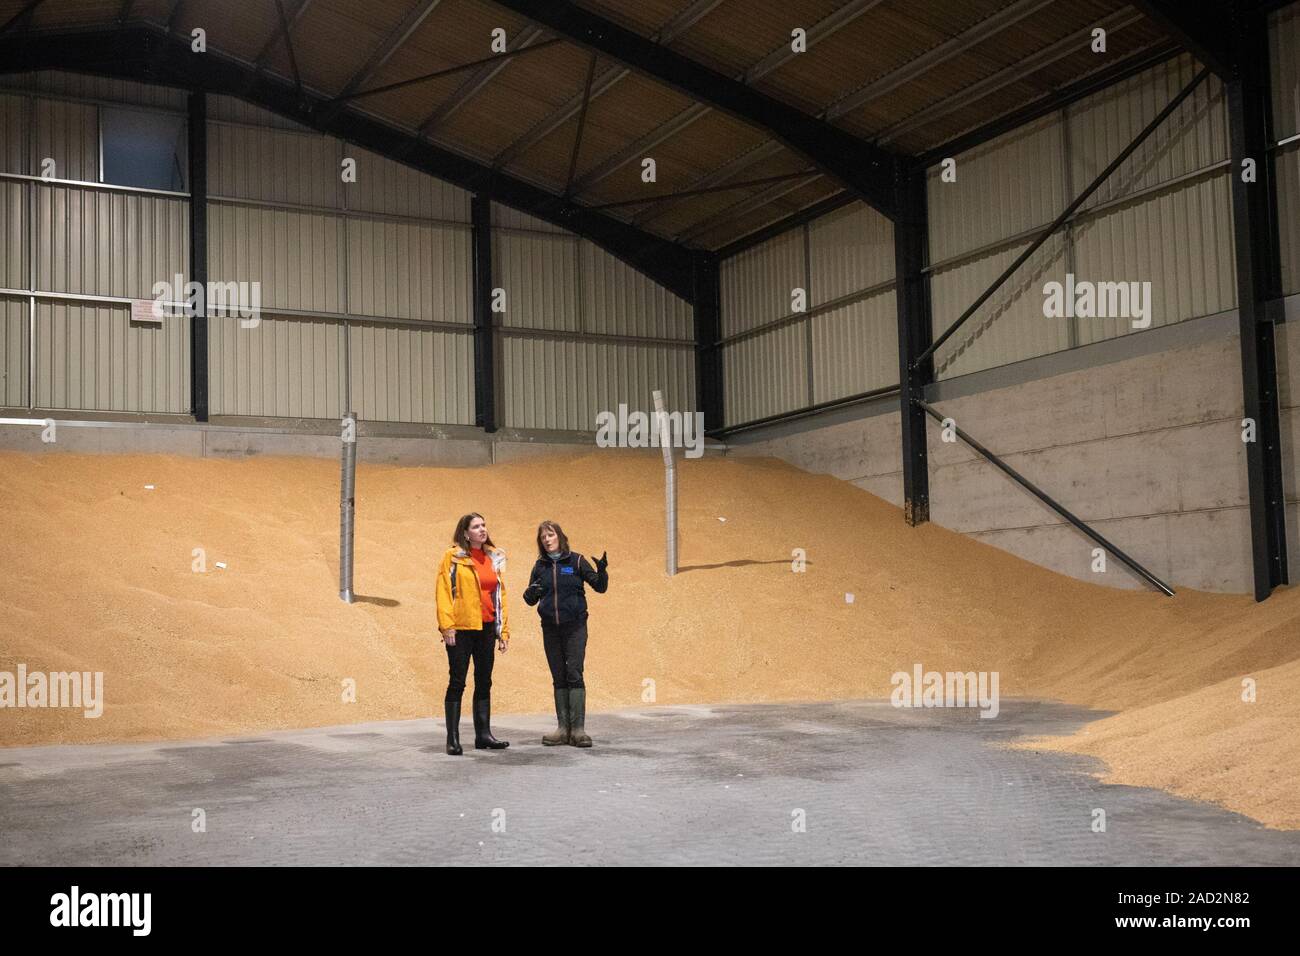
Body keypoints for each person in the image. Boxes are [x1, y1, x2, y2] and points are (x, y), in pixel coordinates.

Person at [522, 521, 608, 747]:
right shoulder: (539, 566)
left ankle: (578, 730)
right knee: (558, 675)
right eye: (543, 538)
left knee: (574, 673)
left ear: (559, 536)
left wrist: (602, 571)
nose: (547, 540)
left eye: (550, 535)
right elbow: (530, 599)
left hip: (575, 626)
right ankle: (562, 729)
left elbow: (600, 587)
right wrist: (531, 592)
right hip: (550, 628)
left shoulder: (576, 561)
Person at [434, 512, 510, 755]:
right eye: (476, 526)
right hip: (462, 628)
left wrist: (503, 631)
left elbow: (500, 596)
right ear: (465, 532)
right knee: (457, 681)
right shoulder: (453, 557)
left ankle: (483, 735)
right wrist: (447, 626)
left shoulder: (494, 556)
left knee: (484, 680)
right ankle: (453, 739)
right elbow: (444, 592)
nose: (482, 529)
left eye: (484, 525)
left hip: (486, 627)